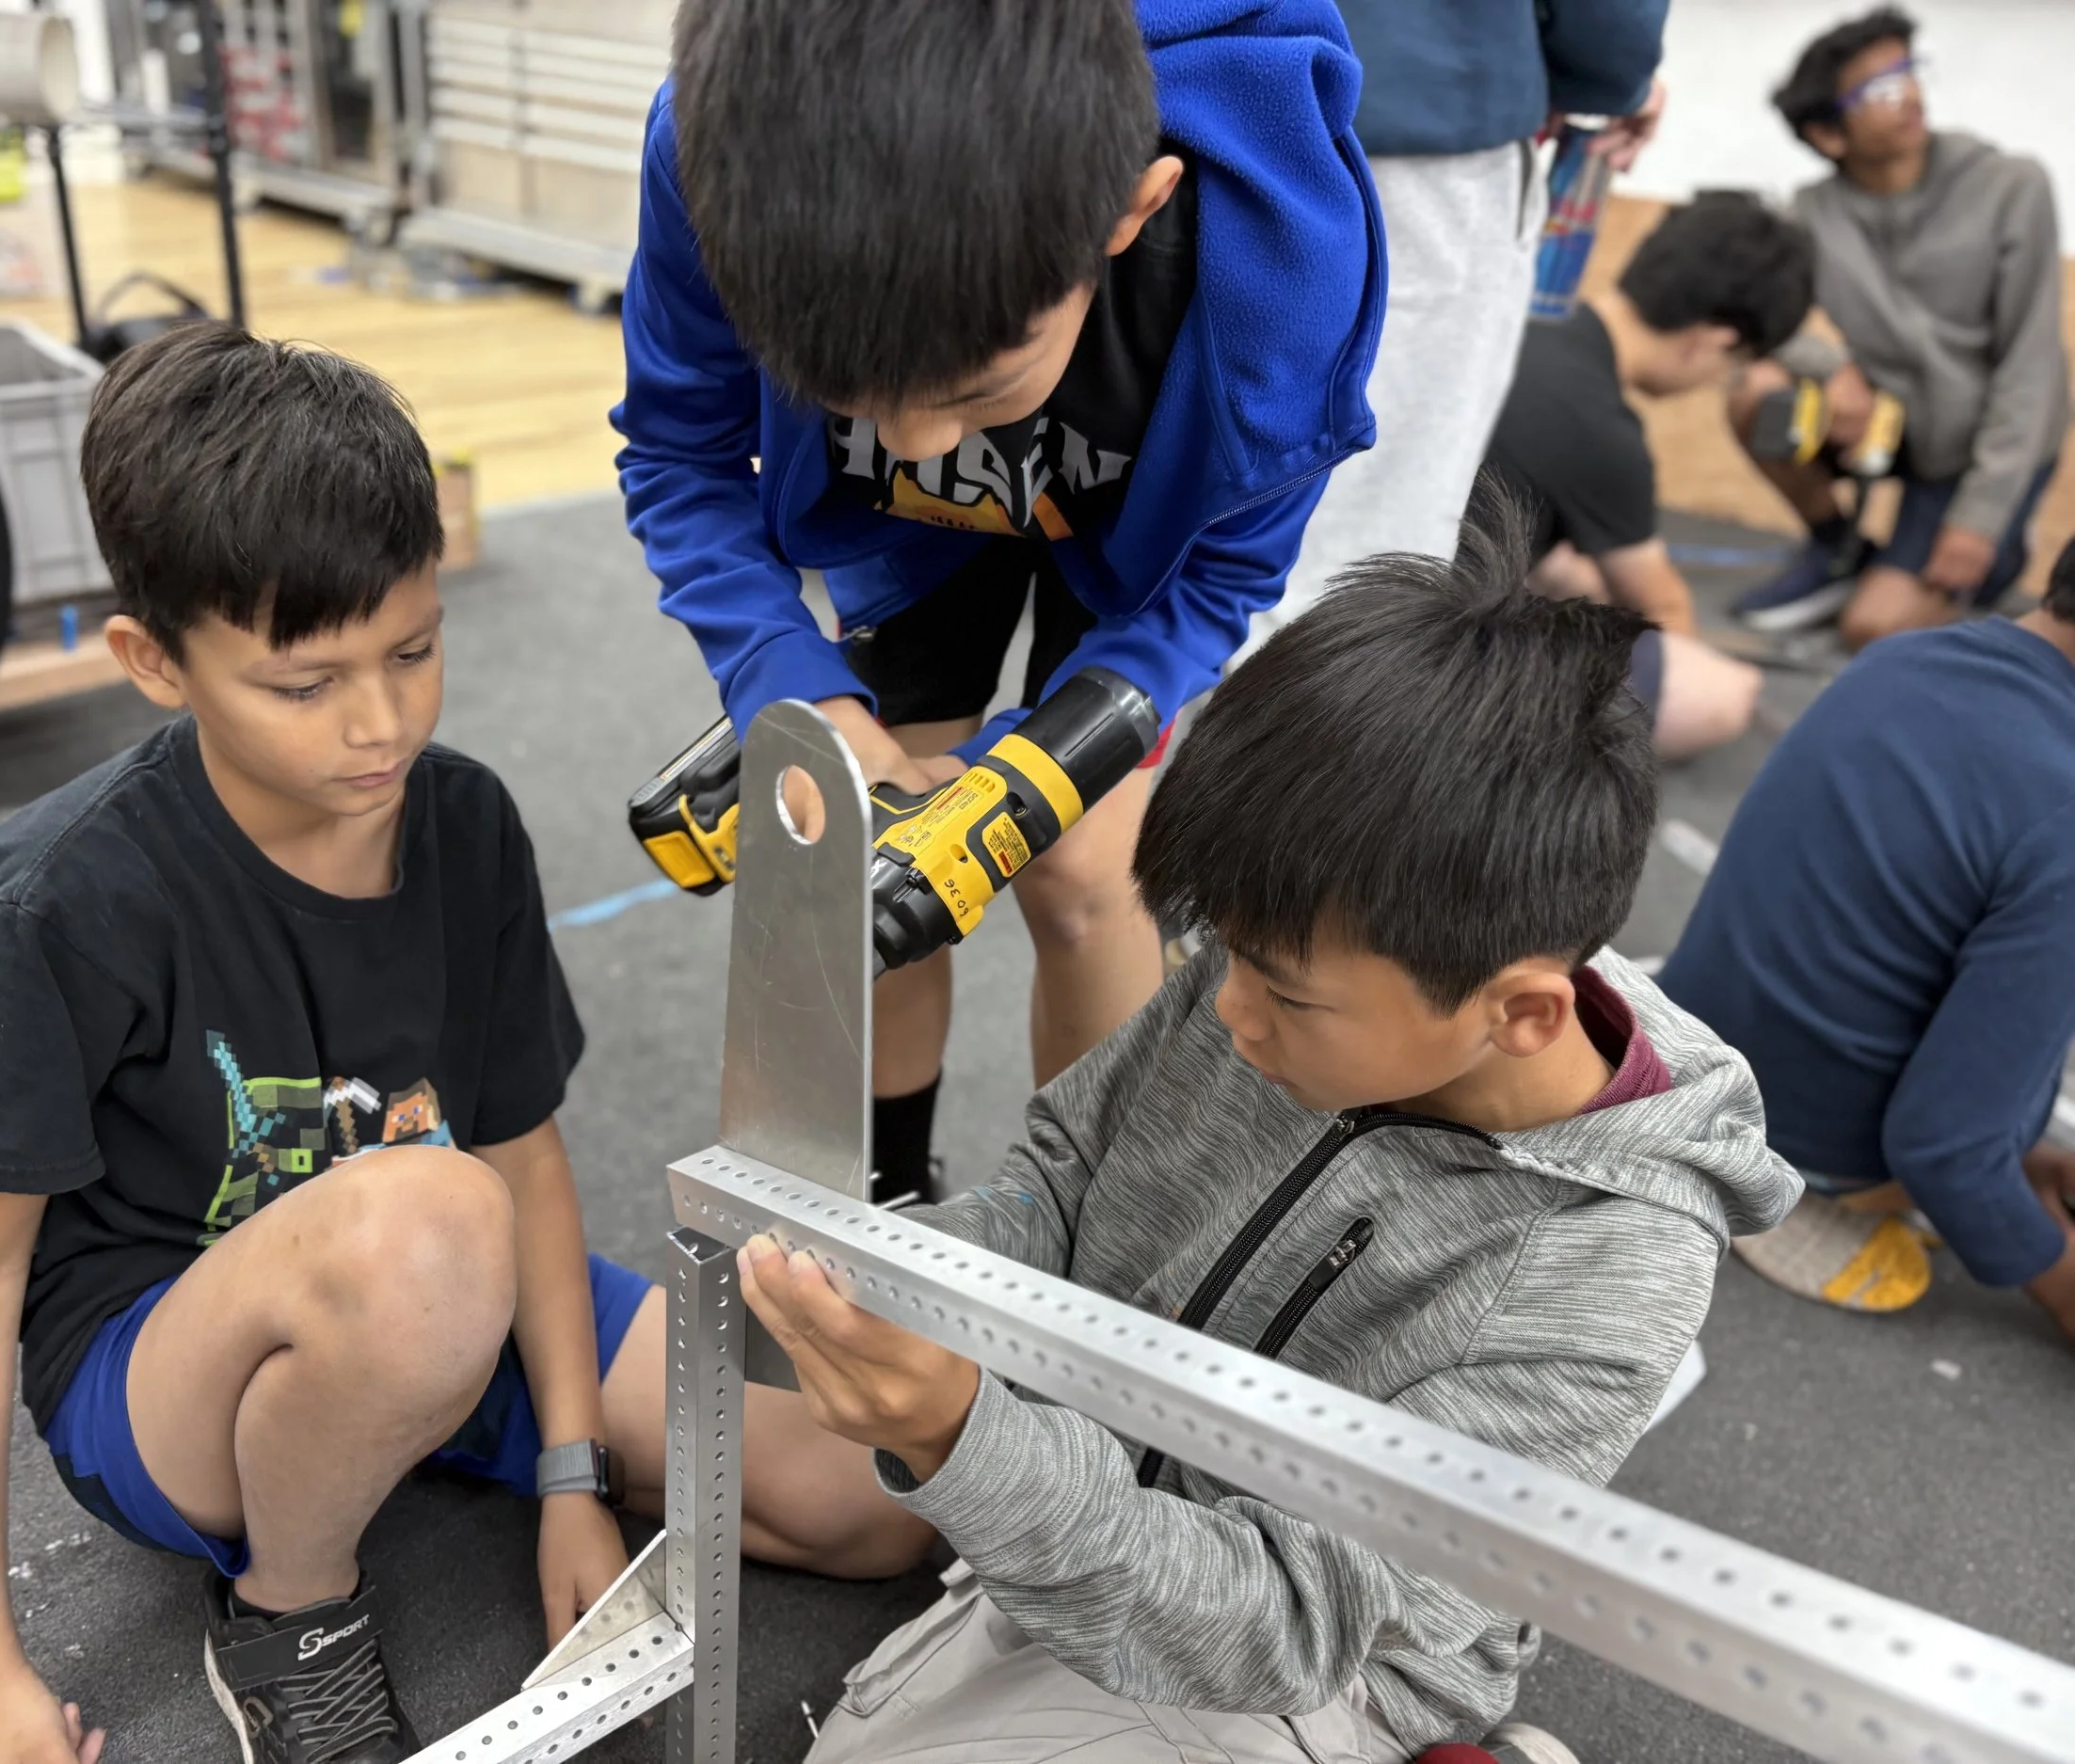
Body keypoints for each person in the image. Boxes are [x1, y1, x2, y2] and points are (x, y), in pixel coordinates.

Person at [0, 327, 928, 1764]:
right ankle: (288, 1607)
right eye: (304, 684)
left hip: (436, 1292)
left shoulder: (463, 821)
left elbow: (520, 1138)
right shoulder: (51, 899)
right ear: (152, 661)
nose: (380, 722)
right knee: (433, 1219)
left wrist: (576, 1469)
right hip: (166, 1373)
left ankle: (411, 1417)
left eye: (413, 648)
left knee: (871, 1504)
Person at [737, 504, 1800, 1764]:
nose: (1223, 1007)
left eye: (1283, 991)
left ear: (1519, 1012)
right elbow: (1065, 1180)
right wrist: (912, 1278)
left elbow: (1290, 1621)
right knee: (720, 1409)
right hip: (1093, 1477)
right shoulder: (1315, 940)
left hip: (1315, 1660)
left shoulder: (1612, 1268)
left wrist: (964, 1432)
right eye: (1221, 952)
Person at [613, 0, 1384, 1203]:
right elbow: (678, 454)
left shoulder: (1283, 241)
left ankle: (1080, 1239)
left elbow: (1222, 577)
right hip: (897, 548)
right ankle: (875, 1193)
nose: (915, 442)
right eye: (846, 394)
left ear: (1132, 207)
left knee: (1080, 873)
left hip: (1142, 536)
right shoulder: (712, 153)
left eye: (977, 386)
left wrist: (1043, 772)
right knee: (853, 833)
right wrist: (782, 676)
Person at [1659, 534, 2075, 1341]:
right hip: (1802, 1150)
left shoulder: (1908, 655)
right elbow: (1945, 1149)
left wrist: (2016, 1154)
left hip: (1694, 1055)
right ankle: (1828, 1191)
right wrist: (2057, 1275)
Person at [1250, 0, 1669, 645]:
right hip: (1418, 124)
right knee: (1353, 566)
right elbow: (1611, 36)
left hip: (1148, 94)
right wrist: (1612, 77)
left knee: (1130, 514)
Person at [1728, 8, 2067, 644]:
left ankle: (1993, 555)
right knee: (1756, 390)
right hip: (1889, 427)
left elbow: (2033, 369)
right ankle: (1837, 549)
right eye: (1880, 89)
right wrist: (1835, 369)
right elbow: (1763, 323)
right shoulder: (1811, 212)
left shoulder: (2011, 186)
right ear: (1829, 135)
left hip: (1977, 452)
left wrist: (1980, 519)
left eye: (1909, 73)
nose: (1909, 94)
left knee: (1870, 629)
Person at [1476, 193, 1813, 758]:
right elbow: (1664, 612)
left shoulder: (1524, 319)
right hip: (1412, 646)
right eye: (1731, 369)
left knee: (1572, 572)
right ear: (1716, 339)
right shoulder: (1605, 432)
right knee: (1721, 694)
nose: (1719, 380)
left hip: (1361, 569)